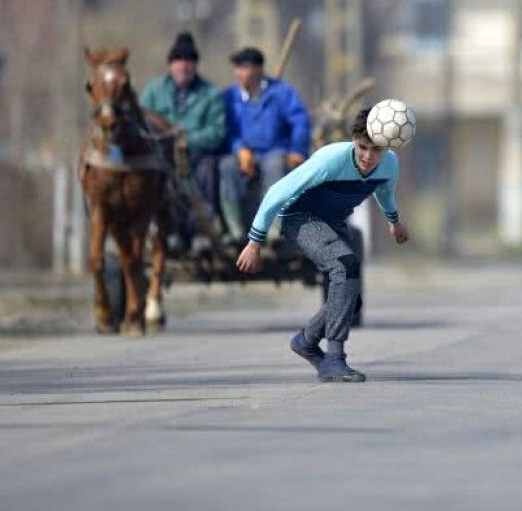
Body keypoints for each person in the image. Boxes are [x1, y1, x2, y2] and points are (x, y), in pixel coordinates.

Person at [236, 108, 410, 382]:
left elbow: (385, 190)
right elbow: (277, 192)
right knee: (345, 264)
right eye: (362, 147)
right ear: (353, 140)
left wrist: (394, 221)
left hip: (333, 221)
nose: (367, 157)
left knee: (349, 296)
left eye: (375, 150)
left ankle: (305, 341)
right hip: (298, 218)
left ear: (386, 147)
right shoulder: (332, 159)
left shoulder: (390, 164)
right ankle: (334, 360)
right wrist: (254, 241)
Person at [218, 46, 312, 243]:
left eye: (245, 67)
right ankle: (234, 229)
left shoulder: (281, 92)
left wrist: (297, 149)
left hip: (274, 150)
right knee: (226, 167)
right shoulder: (229, 97)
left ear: (259, 70)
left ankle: (274, 228)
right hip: (243, 154)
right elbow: (225, 129)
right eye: (238, 68)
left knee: (276, 165)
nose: (240, 73)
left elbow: (300, 121)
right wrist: (238, 149)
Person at [138, 32, 226, 229]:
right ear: (170, 64)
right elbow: (141, 125)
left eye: (189, 60)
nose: (184, 65)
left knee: (208, 172)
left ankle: (201, 232)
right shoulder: (153, 91)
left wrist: (189, 140)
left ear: (196, 65)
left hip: (198, 157)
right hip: (161, 158)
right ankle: (165, 231)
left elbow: (217, 132)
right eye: (178, 60)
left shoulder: (211, 94)